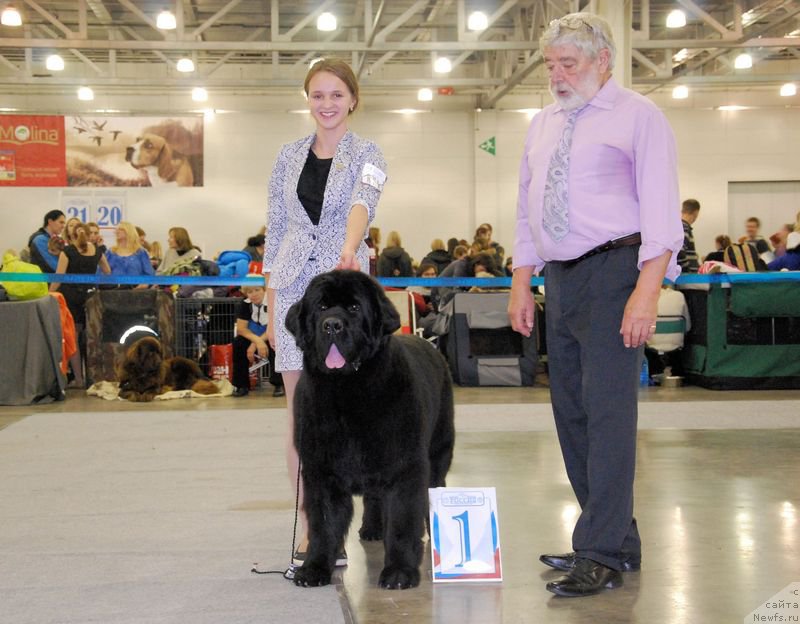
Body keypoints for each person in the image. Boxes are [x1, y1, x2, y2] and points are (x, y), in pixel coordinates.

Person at [508, 13, 683, 598]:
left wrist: (646, 290)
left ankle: (600, 549)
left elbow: (663, 213)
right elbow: (526, 206)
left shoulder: (639, 116)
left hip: (617, 273)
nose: (556, 74)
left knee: (608, 415)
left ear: (602, 60)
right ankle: (613, 538)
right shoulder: (542, 123)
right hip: (560, 279)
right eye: (551, 64)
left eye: (569, 63)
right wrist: (520, 279)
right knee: (572, 413)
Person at [262, 57, 386, 566]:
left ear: (353, 99)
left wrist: (350, 249)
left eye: (337, 94)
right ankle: (315, 529)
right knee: (301, 418)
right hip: (295, 295)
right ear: (307, 100)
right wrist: (272, 305)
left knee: (362, 410)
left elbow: (365, 200)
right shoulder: (287, 157)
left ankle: (373, 511)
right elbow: (275, 225)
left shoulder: (368, 153)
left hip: (346, 290)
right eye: (318, 95)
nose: (327, 104)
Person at [49, 222, 112, 387]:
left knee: (73, 337)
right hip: (90, 296)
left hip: (71, 297)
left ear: (72, 235)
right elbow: (107, 272)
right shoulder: (97, 251)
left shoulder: (68, 252)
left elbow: (59, 277)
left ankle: (78, 378)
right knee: (91, 336)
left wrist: (48, 293)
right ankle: (95, 375)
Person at [231, 277, 284, 398]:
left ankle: (278, 384)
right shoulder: (244, 305)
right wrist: (257, 341)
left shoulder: (273, 301)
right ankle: (241, 385)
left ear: (264, 289)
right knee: (238, 344)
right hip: (253, 336)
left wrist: (257, 343)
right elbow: (241, 329)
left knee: (276, 344)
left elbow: (275, 326)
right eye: (250, 292)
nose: (253, 294)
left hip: (270, 334)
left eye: (257, 290)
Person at [105, 221, 154, 288]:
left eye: (120, 229)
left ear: (129, 232)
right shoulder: (110, 252)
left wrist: (145, 284)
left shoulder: (141, 252)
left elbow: (149, 274)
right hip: (114, 292)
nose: (116, 231)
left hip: (137, 292)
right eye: (116, 229)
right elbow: (101, 275)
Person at [677, 199, 700, 273]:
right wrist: (687, 269)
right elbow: (679, 251)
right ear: (696, 212)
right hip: (687, 277)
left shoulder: (679, 226)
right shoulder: (684, 228)